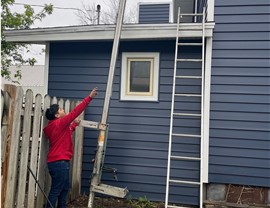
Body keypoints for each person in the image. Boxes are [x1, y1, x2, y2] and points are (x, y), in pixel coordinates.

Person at [43, 87, 98, 208]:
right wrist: (89, 98)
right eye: (61, 109)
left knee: (64, 188)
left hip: (58, 162)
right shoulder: (59, 123)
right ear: (57, 115)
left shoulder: (54, 126)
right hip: (59, 163)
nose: (64, 110)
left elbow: (63, 135)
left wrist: (73, 126)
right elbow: (75, 112)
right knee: (56, 190)